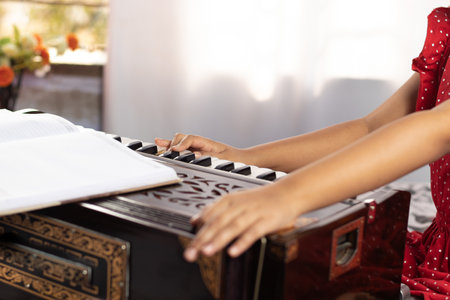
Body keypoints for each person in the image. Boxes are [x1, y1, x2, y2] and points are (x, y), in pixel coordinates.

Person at [155, 7, 450, 299]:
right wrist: (243, 158)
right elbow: (371, 128)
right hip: (437, 253)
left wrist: (286, 195)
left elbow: (434, 131)